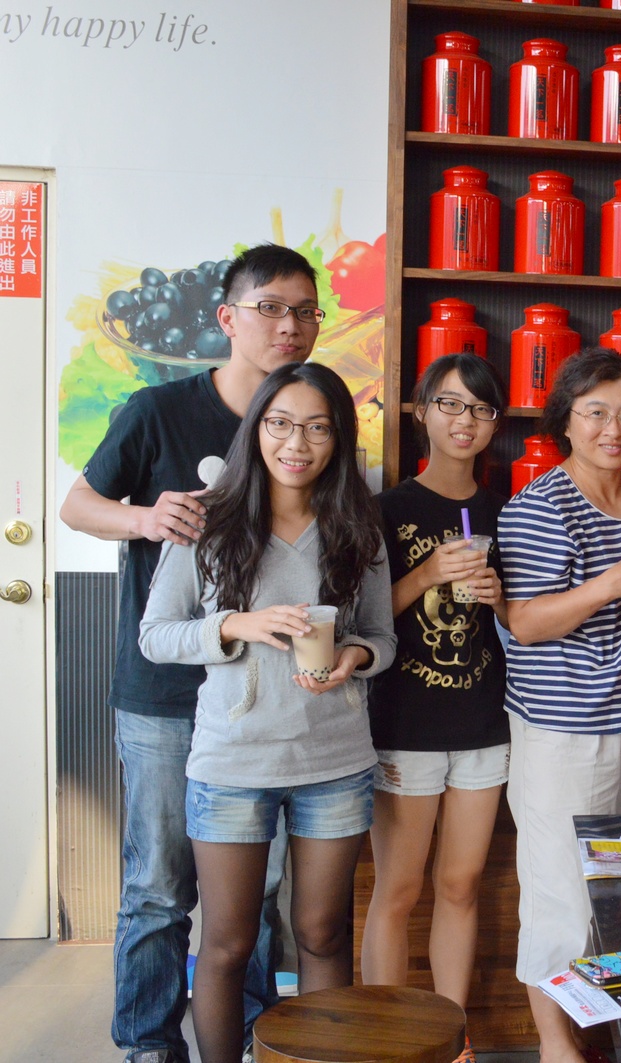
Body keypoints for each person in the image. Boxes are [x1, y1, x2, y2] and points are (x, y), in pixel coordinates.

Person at [59, 243, 318, 1063]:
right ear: (226, 318)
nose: (289, 325)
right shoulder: (158, 410)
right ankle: (146, 1043)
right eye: (271, 307)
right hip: (167, 691)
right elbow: (76, 504)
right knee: (159, 886)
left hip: (266, 701)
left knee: (258, 894)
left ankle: (248, 1038)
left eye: (305, 311)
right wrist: (143, 518)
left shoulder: (308, 419)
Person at [138, 362, 396, 1063]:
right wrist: (233, 625)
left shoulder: (356, 526)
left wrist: (355, 658)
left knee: (323, 934)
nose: (297, 443)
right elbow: (156, 636)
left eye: (318, 428)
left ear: (339, 439)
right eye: (281, 424)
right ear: (257, 430)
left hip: (334, 761)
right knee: (227, 943)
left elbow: (382, 637)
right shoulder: (208, 521)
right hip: (233, 763)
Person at [498, 349, 621, 1063]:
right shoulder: (539, 505)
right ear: (565, 421)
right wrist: (614, 584)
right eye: (596, 412)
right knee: (562, 900)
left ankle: (603, 1038)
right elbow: (525, 622)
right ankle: (554, 1046)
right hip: (562, 730)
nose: (614, 428)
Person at [359, 354, 510, 1063]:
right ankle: (389, 1041)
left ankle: (453, 1039)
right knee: (398, 889)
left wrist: (499, 600)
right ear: (422, 413)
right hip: (405, 725)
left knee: (460, 884)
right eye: (449, 404)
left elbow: (524, 621)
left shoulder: (507, 511)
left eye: (479, 409)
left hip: (483, 723)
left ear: (494, 424)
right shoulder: (387, 510)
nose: (464, 420)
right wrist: (427, 573)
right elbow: (361, 622)